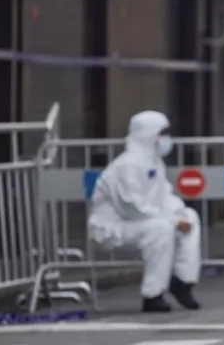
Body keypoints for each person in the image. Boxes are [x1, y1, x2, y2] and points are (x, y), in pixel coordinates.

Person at [88, 111, 201, 313]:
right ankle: (153, 295)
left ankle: (183, 281)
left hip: (140, 223)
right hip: (112, 227)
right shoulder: (127, 165)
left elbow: (164, 197)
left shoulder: (154, 162)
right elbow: (132, 207)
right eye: (162, 133)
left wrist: (179, 214)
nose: (166, 139)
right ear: (148, 134)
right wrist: (173, 222)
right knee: (161, 229)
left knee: (190, 217)